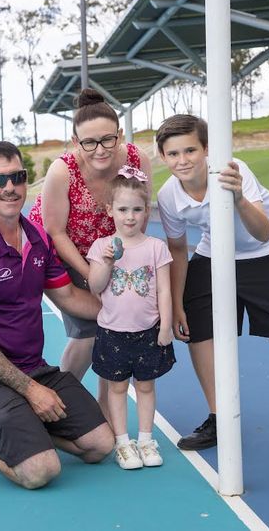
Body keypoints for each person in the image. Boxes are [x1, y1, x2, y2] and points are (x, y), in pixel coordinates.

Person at [0, 141, 114, 489]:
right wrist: (32, 392)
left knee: (99, 446)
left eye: (17, 177)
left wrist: (129, 314)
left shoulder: (35, 237)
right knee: (40, 472)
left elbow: (69, 296)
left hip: (32, 367)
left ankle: (21, 429)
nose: (9, 188)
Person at [156, 113, 269, 466]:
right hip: (215, 254)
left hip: (266, 252)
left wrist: (239, 197)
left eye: (190, 150)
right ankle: (219, 417)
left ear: (207, 149)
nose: (182, 160)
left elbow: (261, 231)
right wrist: (179, 302)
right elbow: (178, 250)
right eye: (173, 154)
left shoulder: (233, 169)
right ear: (163, 157)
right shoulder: (168, 194)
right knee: (198, 332)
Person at [29, 88, 152, 417]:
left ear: (120, 134)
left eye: (107, 140)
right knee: (88, 332)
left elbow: (142, 211)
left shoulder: (137, 161)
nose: (99, 150)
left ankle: (105, 408)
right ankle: (58, 403)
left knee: (114, 331)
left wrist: (129, 261)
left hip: (109, 253)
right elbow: (55, 232)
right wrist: (91, 275)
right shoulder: (62, 171)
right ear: (75, 141)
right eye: (89, 142)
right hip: (61, 253)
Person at [87, 167, 175, 470]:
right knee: (117, 388)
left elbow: (165, 289)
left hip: (148, 332)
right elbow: (95, 286)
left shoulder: (156, 248)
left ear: (146, 211)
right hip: (112, 332)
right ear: (110, 210)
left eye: (137, 209)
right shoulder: (101, 247)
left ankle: (146, 439)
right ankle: (123, 443)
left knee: (147, 387)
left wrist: (165, 325)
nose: (130, 216)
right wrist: (108, 262)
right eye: (123, 209)